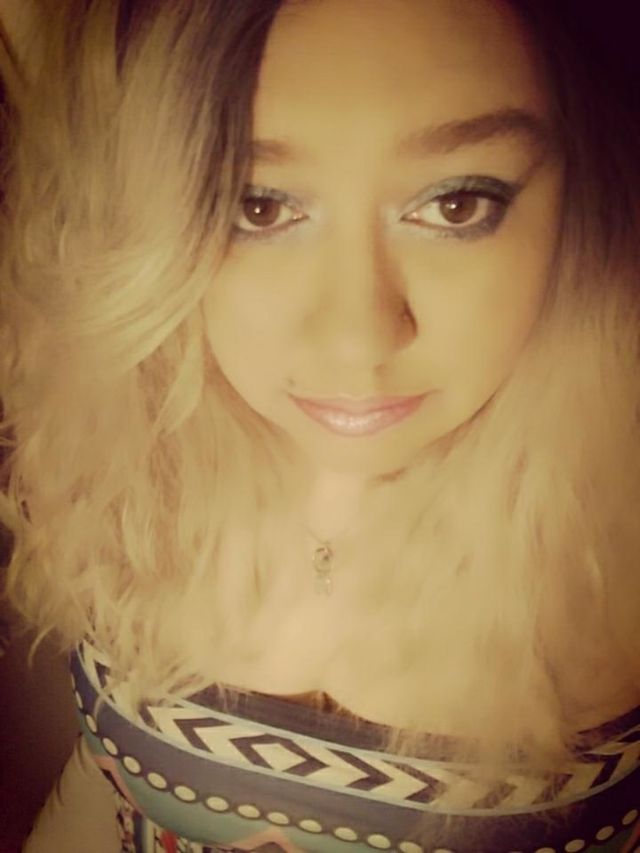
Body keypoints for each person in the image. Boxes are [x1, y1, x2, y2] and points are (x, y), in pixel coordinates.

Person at [0, 0, 639, 850]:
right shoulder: (120, 448)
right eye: (259, 208)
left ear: (588, 194)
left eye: (456, 205)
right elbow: (106, 776)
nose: (357, 340)